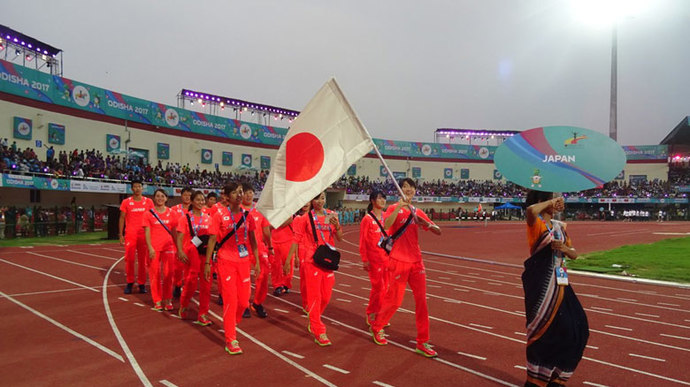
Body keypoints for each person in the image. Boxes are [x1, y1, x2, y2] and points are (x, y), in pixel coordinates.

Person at [369, 178, 441, 358]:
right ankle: (377, 327)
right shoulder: (393, 208)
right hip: (398, 260)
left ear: (415, 191)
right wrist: (401, 206)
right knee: (395, 300)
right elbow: (386, 225)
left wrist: (428, 225)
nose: (408, 189)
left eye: (411, 187)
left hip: (416, 261)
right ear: (400, 190)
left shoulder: (417, 212)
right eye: (404, 187)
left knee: (422, 302)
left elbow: (438, 231)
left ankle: (422, 342)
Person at [523, 191, 588, 386]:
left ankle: (557, 377)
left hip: (561, 283)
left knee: (579, 328)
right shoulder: (536, 225)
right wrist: (551, 201)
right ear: (543, 201)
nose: (559, 203)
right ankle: (535, 380)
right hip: (541, 285)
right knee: (545, 331)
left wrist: (565, 249)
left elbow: (574, 254)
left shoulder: (560, 228)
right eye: (554, 199)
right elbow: (530, 210)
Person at [205, 182, 260, 355]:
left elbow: (252, 240)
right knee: (230, 300)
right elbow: (212, 240)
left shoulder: (247, 215)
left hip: (243, 261)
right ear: (227, 197)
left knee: (244, 301)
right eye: (235, 192)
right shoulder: (219, 214)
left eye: (241, 192)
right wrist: (208, 263)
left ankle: (231, 322)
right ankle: (231, 339)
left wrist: (256, 261)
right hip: (225, 260)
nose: (239, 194)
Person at [292, 192, 343, 346]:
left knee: (326, 296)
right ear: (311, 200)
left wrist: (337, 226)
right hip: (311, 259)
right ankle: (318, 330)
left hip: (327, 259)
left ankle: (315, 319)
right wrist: (291, 258)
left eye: (322, 198)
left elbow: (339, 237)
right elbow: (296, 239)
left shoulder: (330, 215)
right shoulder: (305, 217)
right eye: (316, 198)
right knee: (315, 296)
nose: (320, 201)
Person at [175, 191, 213, 326]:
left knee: (206, 285)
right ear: (192, 201)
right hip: (190, 253)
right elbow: (179, 237)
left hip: (204, 254)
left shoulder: (209, 218)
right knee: (190, 282)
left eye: (203, 200)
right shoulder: (184, 218)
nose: (201, 202)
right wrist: (180, 251)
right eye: (198, 200)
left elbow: (212, 237)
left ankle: (203, 313)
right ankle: (184, 304)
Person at [359, 190, 390, 327]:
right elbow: (363, 241)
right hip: (374, 259)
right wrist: (365, 259)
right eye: (380, 198)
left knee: (387, 288)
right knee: (378, 288)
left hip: (387, 258)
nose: (383, 201)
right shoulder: (368, 219)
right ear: (372, 201)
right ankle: (371, 313)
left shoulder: (386, 216)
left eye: (384, 198)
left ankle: (381, 314)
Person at [144, 189, 178, 312]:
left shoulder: (172, 213)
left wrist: (178, 248)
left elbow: (174, 232)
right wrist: (150, 247)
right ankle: (157, 300)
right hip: (154, 248)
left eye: (162, 196)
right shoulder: (148, 214)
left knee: (169, 275)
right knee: (155, 275)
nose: (160, 198)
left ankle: (168, 300)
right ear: (154, 198)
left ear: (166, 198)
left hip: (168, 247)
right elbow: (147, 232)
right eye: (157, 196)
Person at [241, 183, 271, 318]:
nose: (248, 195)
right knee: (244, 278)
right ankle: (244, 304)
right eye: (245, 192)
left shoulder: (259, 210)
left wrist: (270, 246)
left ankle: (257, 303)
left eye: (250, 192)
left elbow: (266, 229)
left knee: (263, 275)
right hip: (242, 249)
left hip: (259, 248)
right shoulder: (236, 210)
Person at [119, 180, 154, 294]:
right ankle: (129, 282)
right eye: (135, 187)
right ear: (132, 189)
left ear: (142, 188)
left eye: (139, 186)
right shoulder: (126, 202)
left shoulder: (148, 202)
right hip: (130, 234)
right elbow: (122, 218)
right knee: (130, 259)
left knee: (143, 261)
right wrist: (120, 235)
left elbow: (153, 218)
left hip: (144, 235)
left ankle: (142, 283)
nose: (138, 188)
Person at [171, 187, 193, 298]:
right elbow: (171, 226)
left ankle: (188, 286)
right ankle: (178, 286)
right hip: (178, 242)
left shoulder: (196, 210)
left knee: (191, 267)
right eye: (185, 195)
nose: (187, 197)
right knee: (178, 267)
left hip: (191, 243)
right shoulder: (174, 209)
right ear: (181, 196)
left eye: (189, 195)